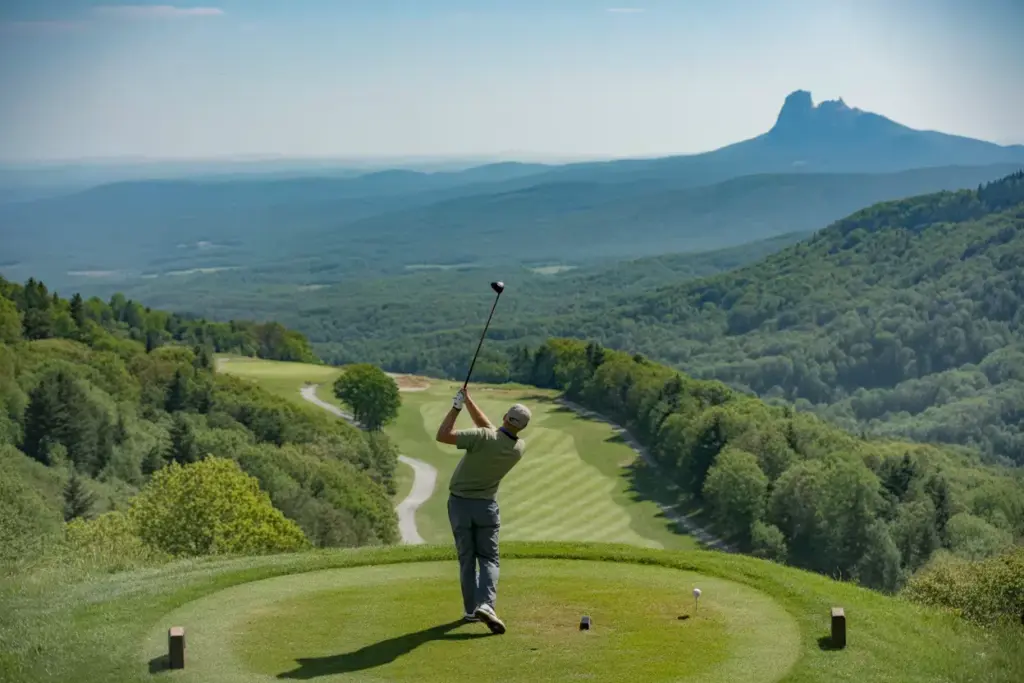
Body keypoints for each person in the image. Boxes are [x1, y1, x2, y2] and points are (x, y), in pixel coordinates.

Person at [435, 386, 530, 635]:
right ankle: (486, 604)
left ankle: (470, 610)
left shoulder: (482, 438)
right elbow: (492, 432)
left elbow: (443, 435)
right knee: (488, 559)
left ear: (505, 417)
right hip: (486, 507)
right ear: (521, 427)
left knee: (467, 559)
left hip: (459, 505)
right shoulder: (518, 448)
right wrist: (469, 401)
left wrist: (456, 407)